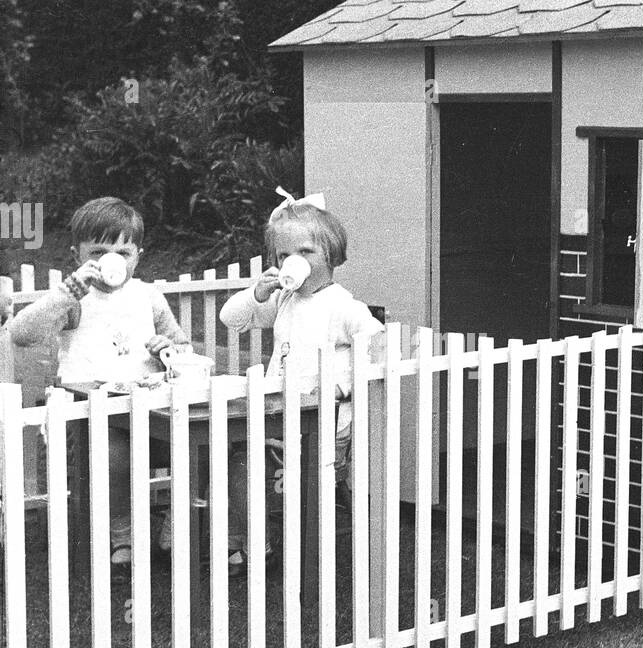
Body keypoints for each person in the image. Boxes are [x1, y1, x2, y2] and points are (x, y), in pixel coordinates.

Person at [9, 196, 190, 566]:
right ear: (78, 255)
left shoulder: (148, 298)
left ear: (137, 255)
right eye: (100, 251)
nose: (113, 261)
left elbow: (183, 348)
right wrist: (68, 291)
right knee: (115, 455)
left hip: (149, 410)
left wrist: (167, 349)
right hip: (90, 417)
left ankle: (175, 519)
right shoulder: (75, 299)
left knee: (194, 443)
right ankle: (122, 535)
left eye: (123, 252)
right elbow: (21, 334)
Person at [219, 190, 383, 577]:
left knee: (301, 483)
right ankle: (256, 543)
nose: (293, 262)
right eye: (283, 255)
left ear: (332, 254)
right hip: (277, 416)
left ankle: (301, 551)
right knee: (238, 461)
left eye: (306, 252)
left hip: (322, 428)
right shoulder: (285, 300)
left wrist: (342, 384)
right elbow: (231, 319)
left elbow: (377, 346)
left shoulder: (343, 307)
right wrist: (256, 293)